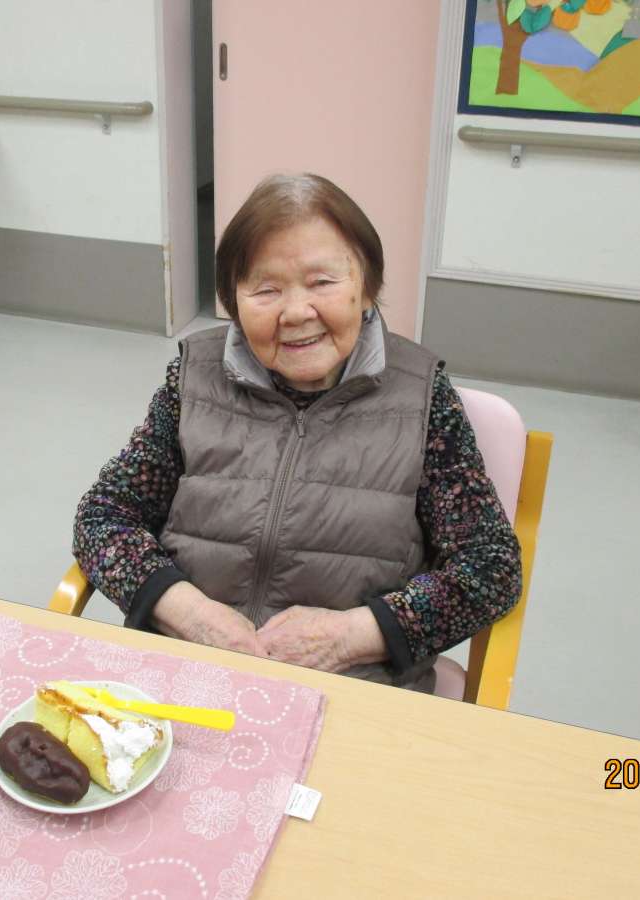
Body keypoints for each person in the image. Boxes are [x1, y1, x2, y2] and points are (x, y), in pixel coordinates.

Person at [73, 173, 522, 691]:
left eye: (323, 282)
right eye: (266, 290)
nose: (296, 313)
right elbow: (103, 518)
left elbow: (490, 568)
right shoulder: (193, 378)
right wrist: (191, 615)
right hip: (182, 672)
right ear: (234, 301)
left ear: (367, 287)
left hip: (351, 689)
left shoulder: (422, 398)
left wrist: (353, 637)